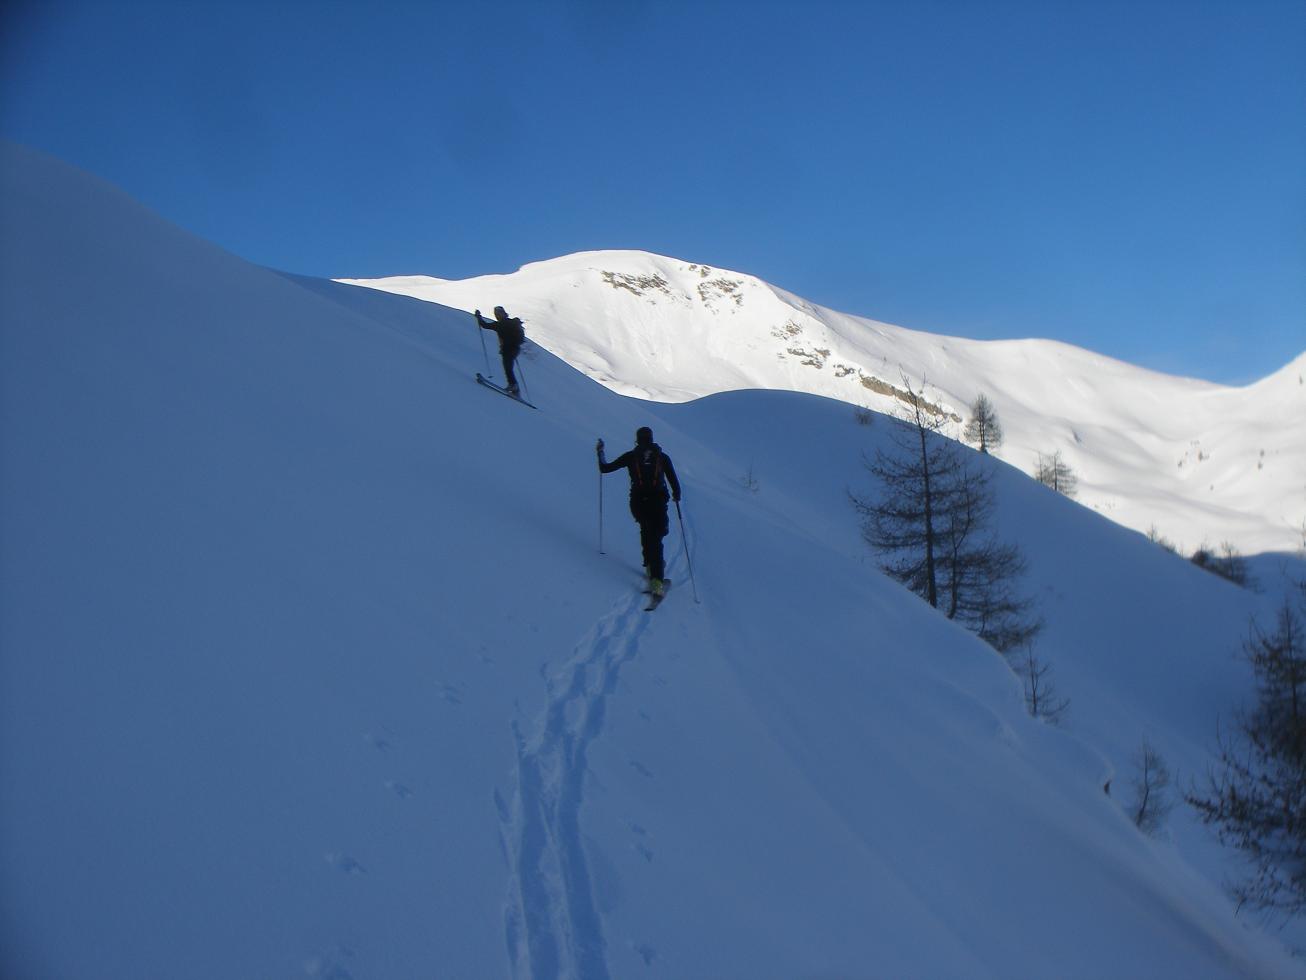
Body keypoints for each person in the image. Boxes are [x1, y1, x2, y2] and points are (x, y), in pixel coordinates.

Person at [597, 426, 682, 596]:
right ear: (651, 439)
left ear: (637, 440)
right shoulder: (662, 457)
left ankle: (650, 566)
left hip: (638, 503)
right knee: (656, 538)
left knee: (646, 530)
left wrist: (600, 452)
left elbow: (605, 468)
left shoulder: (631, 456)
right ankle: (657, 581)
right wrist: (676, 496)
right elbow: (674, 482)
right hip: (658, 502)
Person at [474, 306, 526, 395]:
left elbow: (485, 325)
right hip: (511, 349)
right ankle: (514, 387)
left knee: (508, 367)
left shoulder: (502, 324)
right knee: (507, 367)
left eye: (498, 314)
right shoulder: (501, 324)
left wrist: (478, 317)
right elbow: (485, 325)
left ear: (502, 313)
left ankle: (513, 386)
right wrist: (479, 317)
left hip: (511, 348)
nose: (497, 315)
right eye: (496, 314)